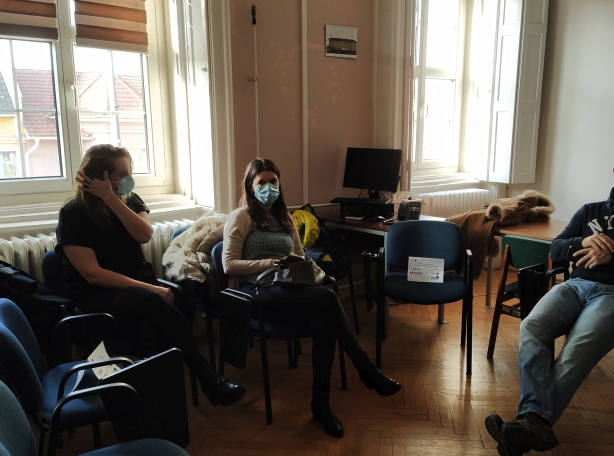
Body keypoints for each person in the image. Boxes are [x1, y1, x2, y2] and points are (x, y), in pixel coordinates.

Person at [485, 141, 614, 456]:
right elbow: (558, 247)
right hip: (575, 286)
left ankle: (527, 424)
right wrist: (583, 241)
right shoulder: (590, 211)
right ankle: (530, 426)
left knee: (576, 348)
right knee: (532, 327)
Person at [222, 158, 401, 438]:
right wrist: (273, 263)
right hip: (255, 293)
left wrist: (301, 266)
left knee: (324, 324)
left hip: (287, 288)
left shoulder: (285, 217)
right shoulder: (241, 217)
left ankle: (321, 405)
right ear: (250, 186)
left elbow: (300, 256)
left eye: (273, 181)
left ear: (280, 184)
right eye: (261, 183)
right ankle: (366, 369)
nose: (268, 187)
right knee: (328, 300)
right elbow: (229, 264)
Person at [56, 144, 245, 407]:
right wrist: (150, 289)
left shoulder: (130, 200)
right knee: (152, 299)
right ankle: (209, 379)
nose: (129, 179)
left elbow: (144, 234)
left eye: (129, 172)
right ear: (101, 178)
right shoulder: (73, 214)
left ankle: (163, 379)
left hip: (134, 290)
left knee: (181, 293)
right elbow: (93, 275)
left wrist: (112, 199)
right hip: (96, 295)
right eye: (122, 174)